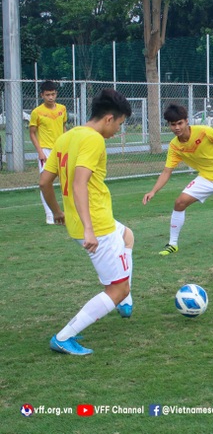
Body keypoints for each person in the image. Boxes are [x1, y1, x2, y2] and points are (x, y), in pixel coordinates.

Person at [39, 89, 134, 355]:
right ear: (108, 119)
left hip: (83, 220)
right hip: (95, 224)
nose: (118, 130)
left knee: (128, 236)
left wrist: (57, 211)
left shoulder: (66, 137)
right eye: (119, 124)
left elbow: (44, 182)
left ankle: (125, 301)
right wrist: (90, 230)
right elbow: (80, 183)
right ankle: (64, 337)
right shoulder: (94, 140)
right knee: (117, 288)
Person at [143, 104, 213, 255]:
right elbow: (166, 171)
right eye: (173, 124)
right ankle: (172, 244)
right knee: (179, 203)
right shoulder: (175, 146)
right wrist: (153, 191)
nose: (177, 127)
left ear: (186, 121)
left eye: (180, 123)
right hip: (206, 179)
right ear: (169, 125)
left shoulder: (204, 132)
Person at [29, 80, 68, 224]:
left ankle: (67, 211)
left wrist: (66, 144)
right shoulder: (37, 112)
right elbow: (32, 133)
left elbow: (64, 128)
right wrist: (40, 151)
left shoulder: (62, 109)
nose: (50, 97)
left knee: (66, 180)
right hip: (46, 150)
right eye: (47, 95)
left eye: (53, 94)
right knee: (45, 182)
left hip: (61, 149)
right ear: (42, 95)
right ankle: (50, 215)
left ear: (56, 94)